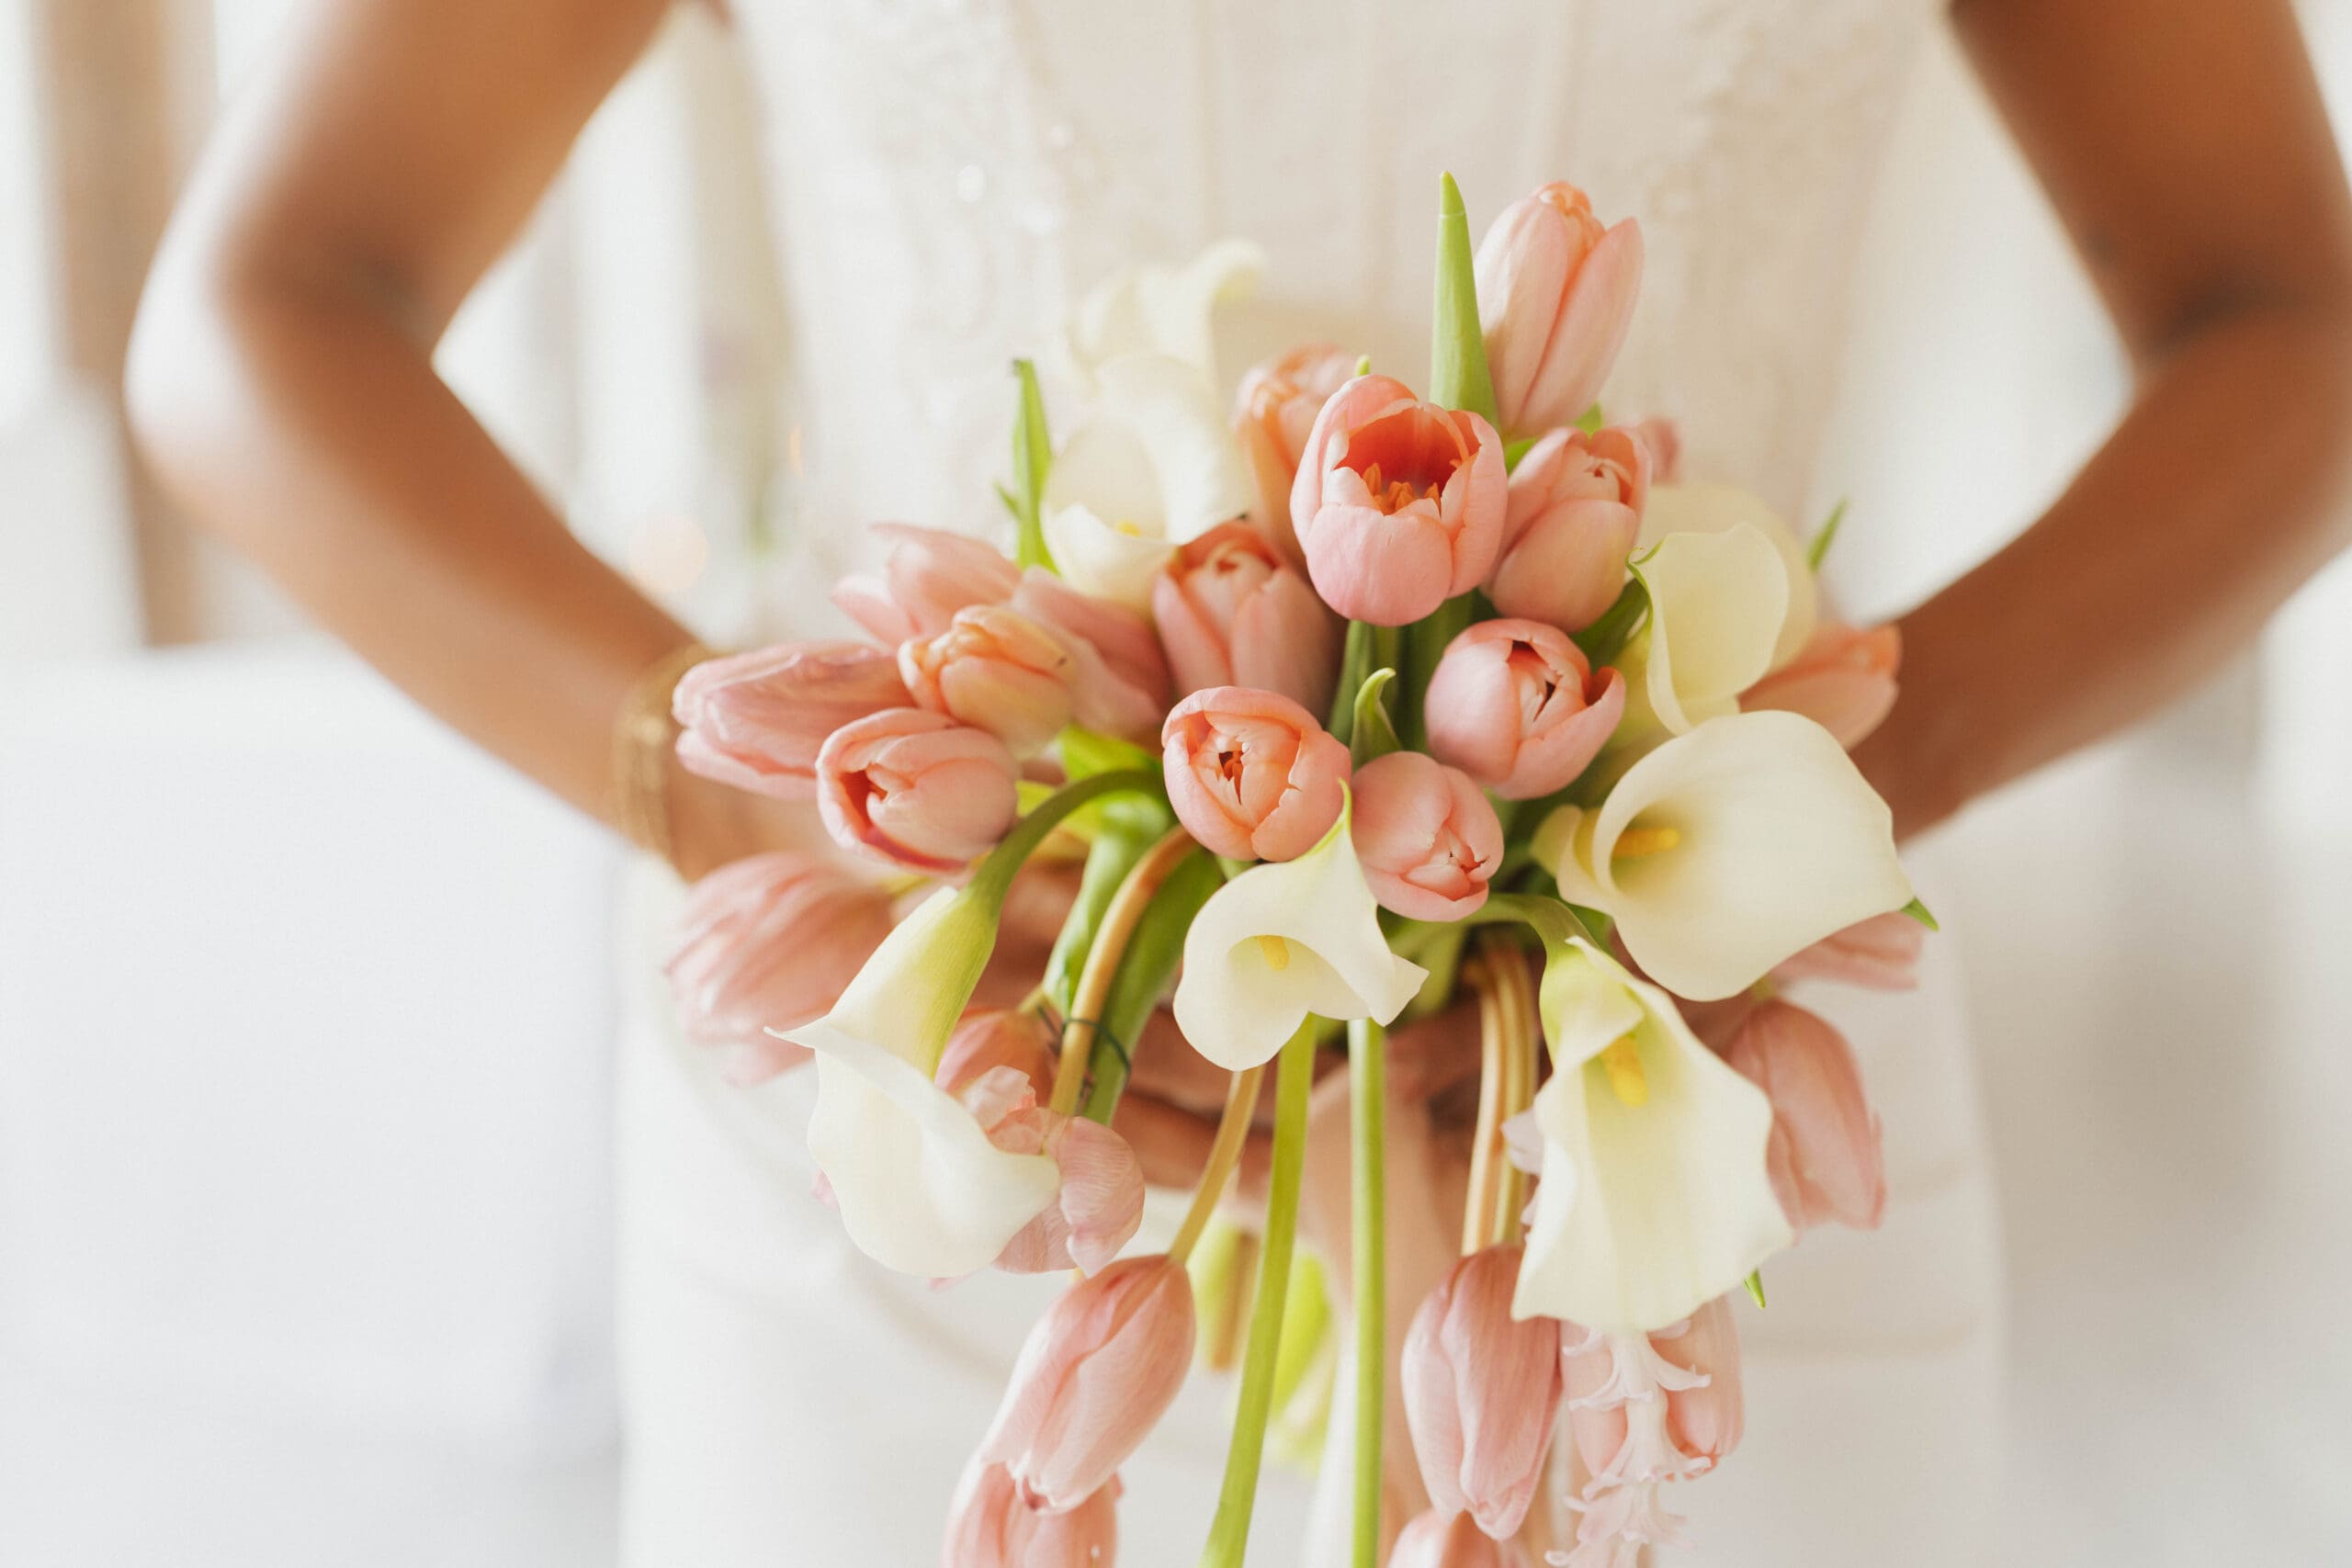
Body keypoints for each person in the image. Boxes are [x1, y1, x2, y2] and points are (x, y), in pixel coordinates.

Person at [125, 1, 2352, 1563]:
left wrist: (1832, 776)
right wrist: (752, 804)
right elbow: (267, 304)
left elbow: (2283, 308)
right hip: (934, 1139)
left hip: (1699, 1148)